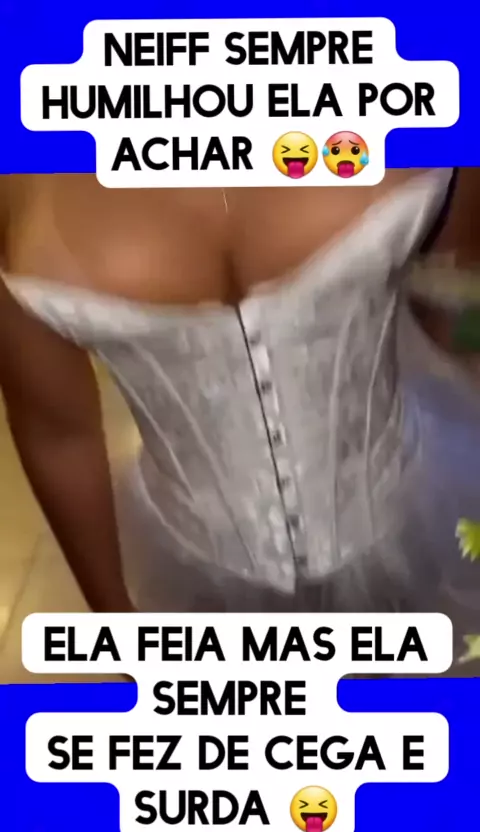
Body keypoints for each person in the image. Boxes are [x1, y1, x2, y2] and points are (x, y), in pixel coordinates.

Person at [0, 170, 479, 646]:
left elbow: (453, 299)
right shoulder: (20, 180)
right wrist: (116, 625)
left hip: (417, 508)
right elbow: (58, 434)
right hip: (192, 561)